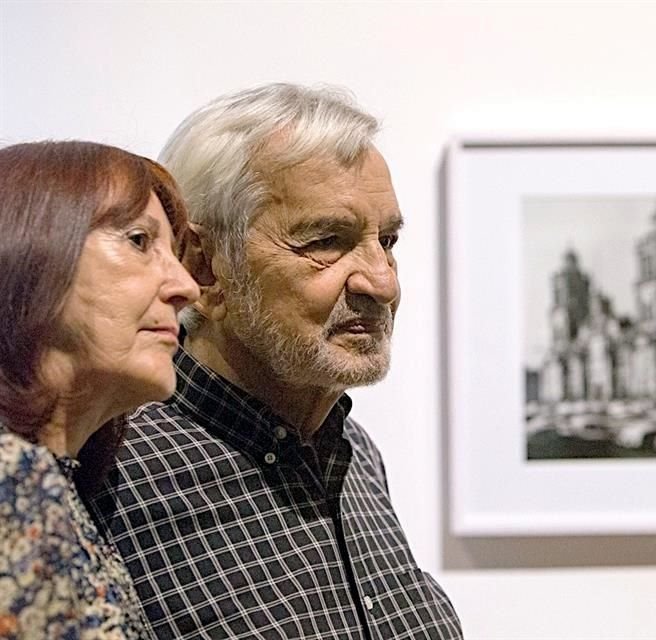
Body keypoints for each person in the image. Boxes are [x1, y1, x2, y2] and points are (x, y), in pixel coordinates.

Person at [88, 84, 463, 639]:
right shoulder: (111, 468)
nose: (383, 283)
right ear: (204, 266)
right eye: (327, 241)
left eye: (387, 241)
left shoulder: (354, 451)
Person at [0, 141, 200, 638]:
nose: (187, 287)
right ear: (28, 252)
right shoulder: (12, 480)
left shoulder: (65, 493)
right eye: (139, 241)